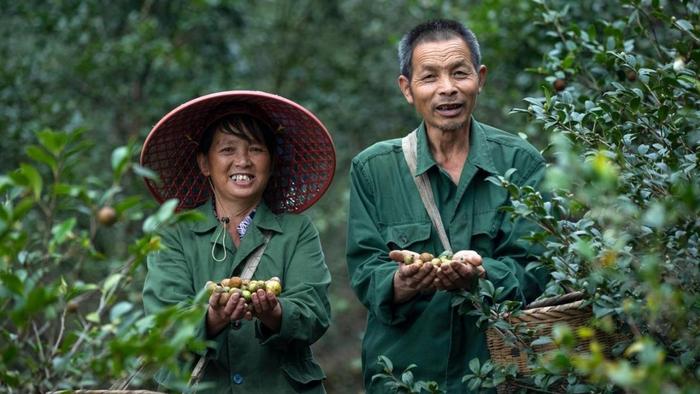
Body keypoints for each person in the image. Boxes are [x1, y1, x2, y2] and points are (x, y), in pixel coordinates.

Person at [345, 19, 549, 393]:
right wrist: (401, 283)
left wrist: (483, 273)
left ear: (480, 78)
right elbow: (364, 271)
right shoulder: (374, 168)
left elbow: (539, 270)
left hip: (501, 379)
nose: (448, 89)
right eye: (430, 77)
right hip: (404, 379)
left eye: (459, 73)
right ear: (407, 88)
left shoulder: (521, 162)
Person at [140, 91, 336, 393]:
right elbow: (163, 323)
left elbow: (314, 312)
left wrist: (274, 312)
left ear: (271, 163)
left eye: (256, 149)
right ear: (205, 163)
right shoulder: (173, 234)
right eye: (227, 150)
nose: (242, 161)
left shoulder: (297, 230)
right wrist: (212, 318)